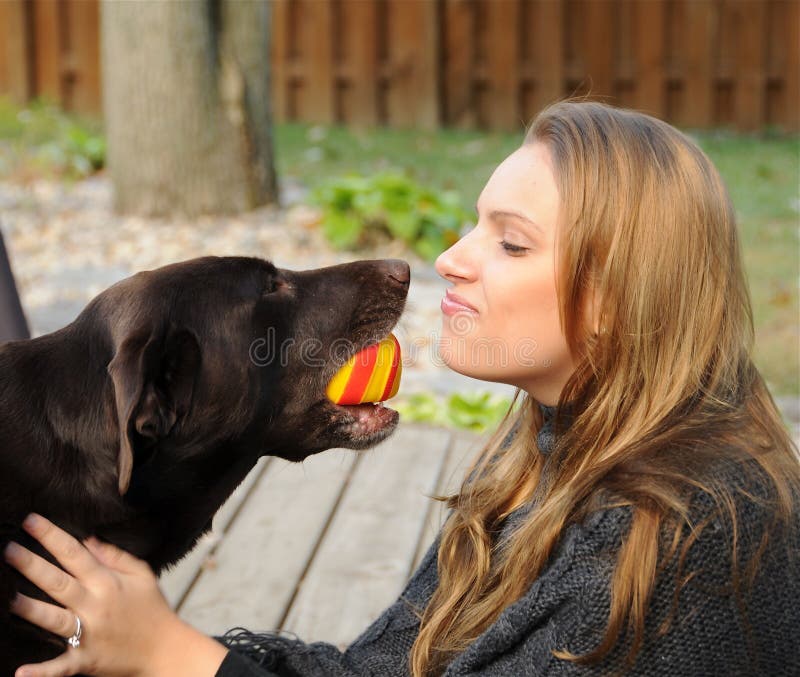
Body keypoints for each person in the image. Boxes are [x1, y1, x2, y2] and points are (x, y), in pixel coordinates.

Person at [4, 100, 799, 677]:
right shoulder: (549, 451)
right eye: (476, 223)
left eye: (511, 243)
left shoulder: (681, 546)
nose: (450, 258)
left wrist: (178, 656)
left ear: (617, 301)